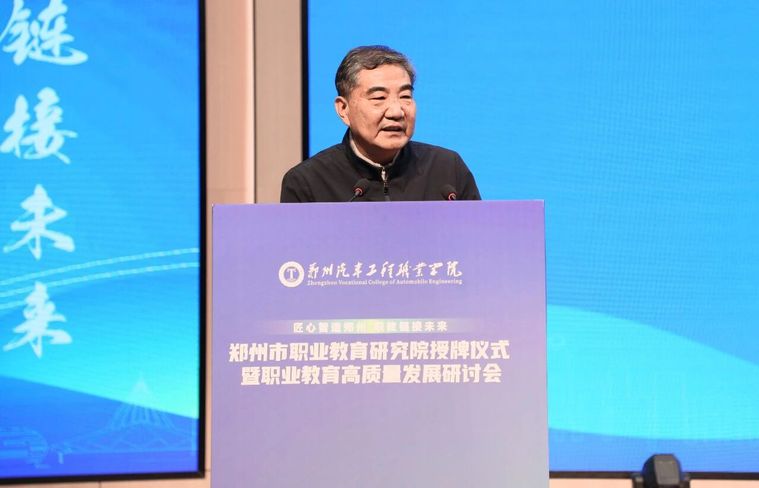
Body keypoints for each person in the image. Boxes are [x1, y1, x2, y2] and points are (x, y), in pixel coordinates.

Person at [280, 45, 480, 202]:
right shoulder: (307, 182)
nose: (396, 112)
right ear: (343, 109)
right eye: (379, 98)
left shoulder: (447, 170)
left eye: (405, 96)